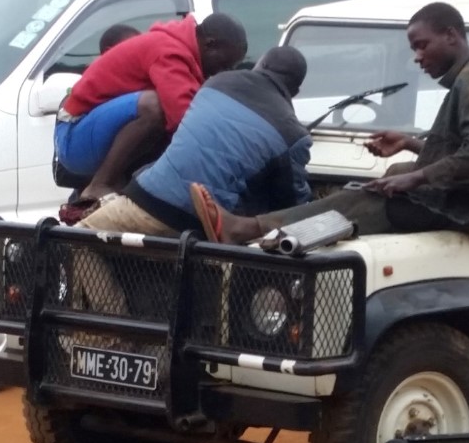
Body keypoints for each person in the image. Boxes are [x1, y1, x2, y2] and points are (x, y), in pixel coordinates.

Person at [190, 1, 469, 246]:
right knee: (384, 180)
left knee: (365, 199)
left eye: (422, 46)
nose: (417, 57)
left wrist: (416, 178)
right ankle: (270, 231)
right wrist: (408, 144)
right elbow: (466, 151)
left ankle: (248, 229)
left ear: (451, 36)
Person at [71, 46, 313, 314]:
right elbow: (292, 205)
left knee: (78, 238)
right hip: (209, 225)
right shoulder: (294, 134)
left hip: (147, 203)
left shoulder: (215, 83)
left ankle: (113, 322)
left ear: (260, 65)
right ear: (295, 91)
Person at [55, 13, 248, 204]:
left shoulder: (182, 53)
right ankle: (100, 184)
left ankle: (125, 185)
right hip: (74, 139)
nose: (222, 72)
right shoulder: (168, 50)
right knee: (154, 105)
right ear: (209, 44)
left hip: (95, 135)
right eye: (223, 65)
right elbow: (184, 117)